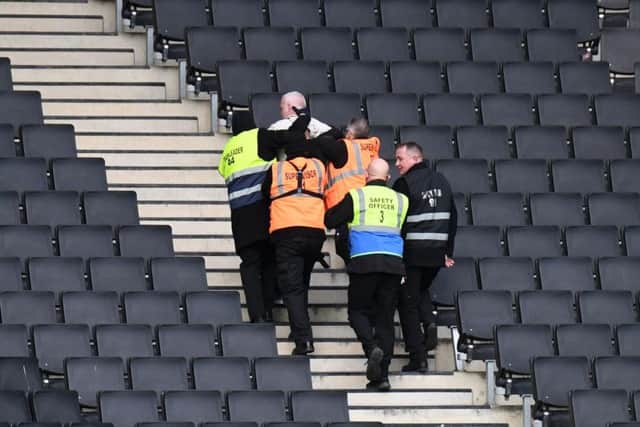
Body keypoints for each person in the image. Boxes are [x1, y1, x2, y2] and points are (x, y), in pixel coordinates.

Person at [325, 158, 408, 391]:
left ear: (366, 176)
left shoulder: (357, 196)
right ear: (388, 178)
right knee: (385, 319)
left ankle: (371, 348)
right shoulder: (401, 200)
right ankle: (382, 378)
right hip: (393, 263)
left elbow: (330, 219)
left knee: (357, 311)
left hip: (364, 261)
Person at [218, 116, 311, 323]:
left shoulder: (228, 149)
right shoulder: (259, 136)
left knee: (250, 264)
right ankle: (268, 308)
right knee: (269, 260)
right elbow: (291, 138)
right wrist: (301, 121)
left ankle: (257, 315)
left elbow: (222, 171)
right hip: (262, 209)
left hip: (239, 217)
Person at [393, 142, 458, 373]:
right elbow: (453, 218)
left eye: (400, 159)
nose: (397, 164)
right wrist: (447, 251)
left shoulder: (403, 183)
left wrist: (396, 254)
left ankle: (417, 356)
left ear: (415, 158)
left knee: (406, 302)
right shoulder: (442, 180)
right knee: (419, 290)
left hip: (412, 251)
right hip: (436, 253)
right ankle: (429, 322)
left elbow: (397, 221)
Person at [262, 133, 327, 355]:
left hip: (287, 232)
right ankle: (299, 326)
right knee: (302, 282)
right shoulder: (319, 167)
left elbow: (264, 195)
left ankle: (303, 340)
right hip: (315, 232)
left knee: (292, 288)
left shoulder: (276, 169)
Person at [324, 117, 380, 263]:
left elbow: (321, 143)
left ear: (349, 133)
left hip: (345, 214)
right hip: (370, 213)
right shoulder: (373, 150)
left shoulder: (343, 148)